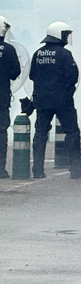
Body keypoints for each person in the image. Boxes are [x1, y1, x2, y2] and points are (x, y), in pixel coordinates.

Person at [29, 21, 81, 179]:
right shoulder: (64, 54)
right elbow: (73, 76)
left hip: (42, 100)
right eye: (65, 34)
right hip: (62, 100)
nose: (67, 38)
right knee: (72, 132)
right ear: (58, 34)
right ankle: (75, 169)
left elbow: (32, 75)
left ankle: (37, 170)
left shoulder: (38, 53)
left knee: (41, 133)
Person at [0, 16, 21, 178]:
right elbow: (15, 73)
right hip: (1, 99)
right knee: (1, 133)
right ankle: (0, 169)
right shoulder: (8, 49)